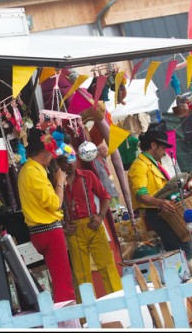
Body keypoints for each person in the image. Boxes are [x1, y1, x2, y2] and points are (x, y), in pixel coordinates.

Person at [17, 127, 76, 304]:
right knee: (63, 283)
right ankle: (69, 324)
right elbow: (55, 203)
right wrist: (59, 182)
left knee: (60, 280)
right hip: (49, 232)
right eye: (50, 152)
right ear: (43, 151)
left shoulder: (31, 170)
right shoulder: (33, 173)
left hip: (41, 231)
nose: (52, 156)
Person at [127, 124, 192, 266]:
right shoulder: (139, 166)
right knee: (181, 249)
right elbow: (140, 195)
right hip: (157, 214)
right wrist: (160, 203)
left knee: (183, 247)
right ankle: (185, 279)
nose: (164, 153)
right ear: (153, 146)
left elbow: (167, 191)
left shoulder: (155, 165)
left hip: (168, 212)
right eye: (163, 148)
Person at [57, 155, 122, 301]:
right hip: (73, 230)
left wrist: (100, 216)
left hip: (93, 225)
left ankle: (119, 303)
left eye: (72, 159)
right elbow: (51, 208)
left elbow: (106, 196)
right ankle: (87, 317)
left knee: (107, 267)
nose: (70, 164)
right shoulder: (57, 183)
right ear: (59, 163)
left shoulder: (88, 175)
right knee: (81, 274)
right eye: (65, 161)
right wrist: (62, 225)